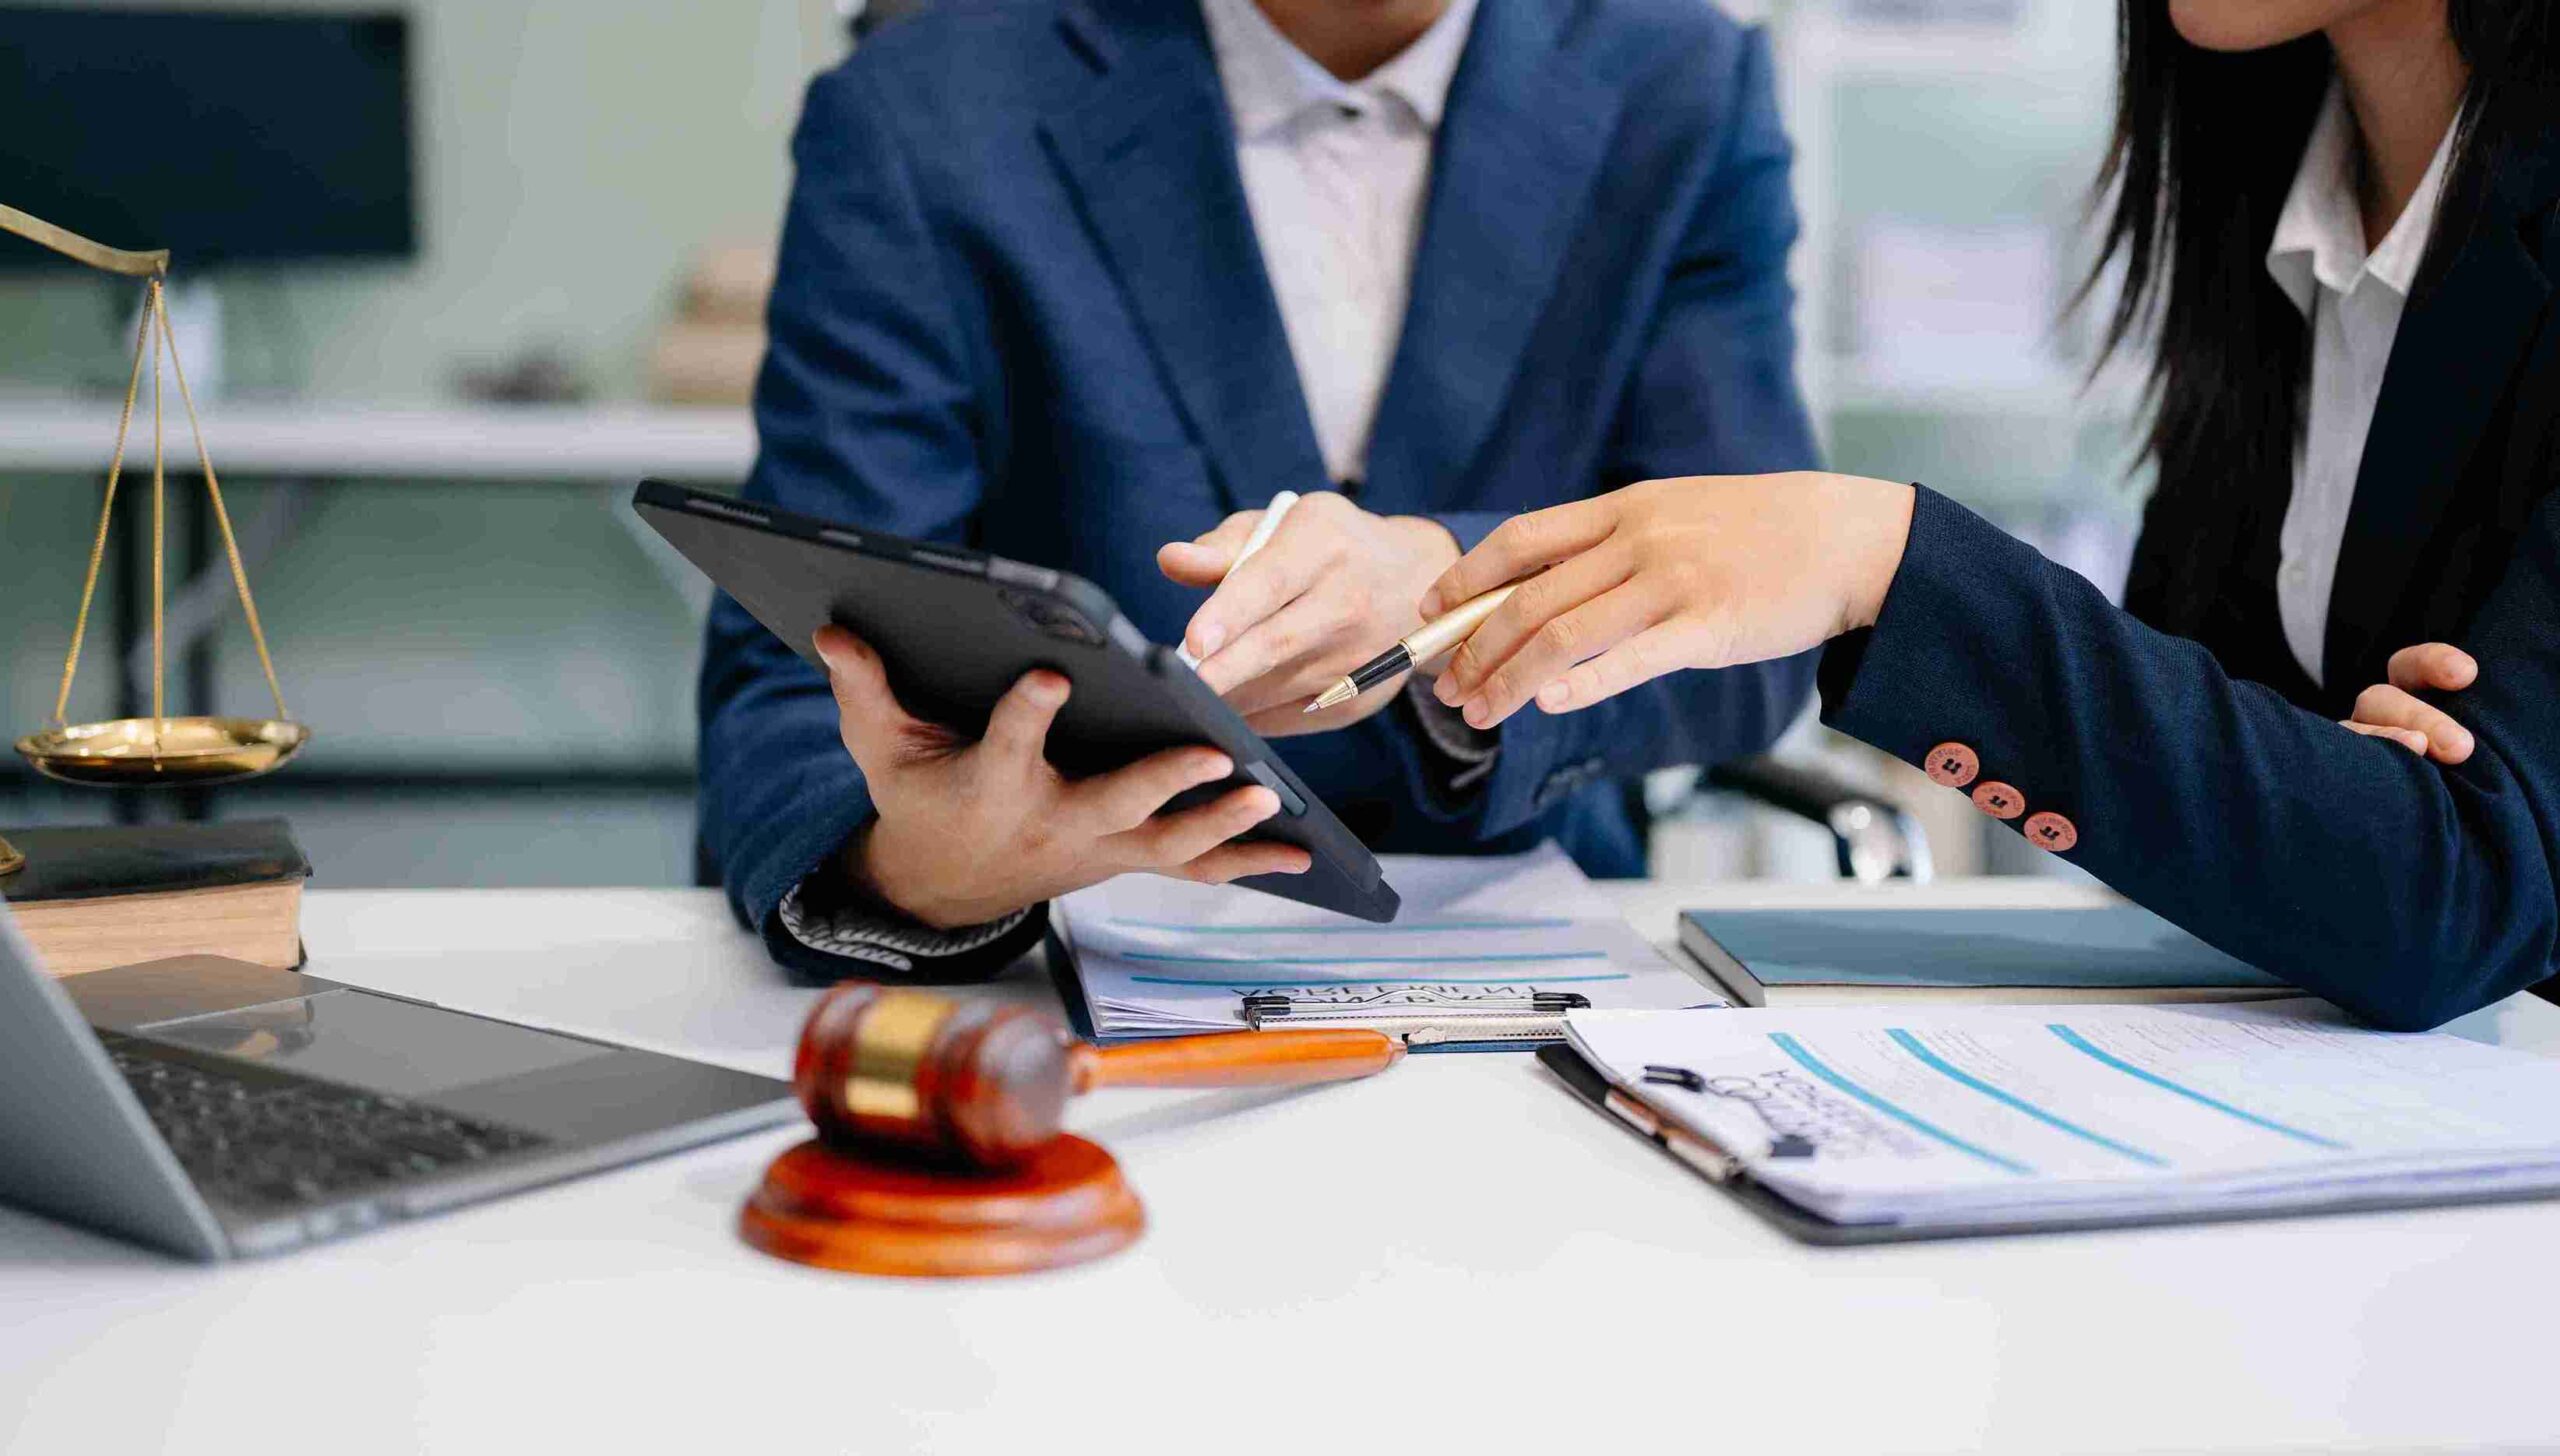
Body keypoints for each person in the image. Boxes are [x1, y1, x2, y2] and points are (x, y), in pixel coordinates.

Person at [1426, 0, 2560, 1030]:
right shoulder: (2273, 187)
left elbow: (2445, 893)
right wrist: (2341, 805)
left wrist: (1886, 559)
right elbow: (2263, 790)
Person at [699, 0, 1822, 980]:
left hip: (1535, 950)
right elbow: (794, 674)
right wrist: (918, 874)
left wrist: (1440, 603)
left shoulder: (1685, 84)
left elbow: (1750, 626)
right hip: (1050, 965)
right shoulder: (921, 109)